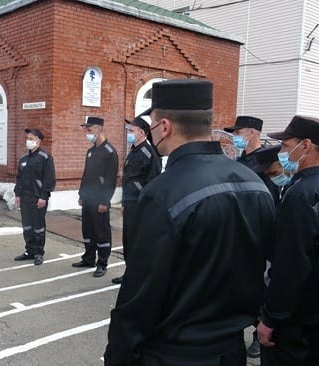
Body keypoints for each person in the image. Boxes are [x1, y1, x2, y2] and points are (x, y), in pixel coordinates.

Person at [104, 79, 276, 365]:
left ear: (165, 127)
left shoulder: (163, 193)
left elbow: (139, 297)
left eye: (153, 123)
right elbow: (268, 265)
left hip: (175, 353)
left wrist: (118, 356)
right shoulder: (255, 183)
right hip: (231, 349)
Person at [257, 115, 319, 366]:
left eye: (285, 145)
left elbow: (290, 265)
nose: (281, 152)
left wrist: (271, 318)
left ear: (304, 146)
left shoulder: (302, 194)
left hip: (293, 323)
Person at [111, 116, 161, 285]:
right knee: (128, 239)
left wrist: (145, 205)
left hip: (140, 205)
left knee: (138, 241)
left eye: (131, 131)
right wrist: (124, 203)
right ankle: (130, 273)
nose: (128, 134)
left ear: (141, 132)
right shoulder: (134, 150)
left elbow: (153, 182)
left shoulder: (148, 153)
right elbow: (130, 180)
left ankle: (139, 276)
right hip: (130, 203)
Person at [73, 116, 119, 278]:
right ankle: (89, 258)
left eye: (90, 129)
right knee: (88, 230)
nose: (87, 133)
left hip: (100, 200)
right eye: (86, 129)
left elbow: (111, 180)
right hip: (87, 198)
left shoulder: (110, 152)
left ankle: (102, 263)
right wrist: (81, 194)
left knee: (102, 232)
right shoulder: (91, 151)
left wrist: (104, 201)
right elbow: (86, 175)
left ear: (99, 129)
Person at [13, 128, 56, 265]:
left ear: (38, 141)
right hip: (25, 198)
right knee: (27, 226)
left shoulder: (45, 158)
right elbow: (19, 178)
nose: (28, 141)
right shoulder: (23, 158)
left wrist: (44, 197)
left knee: (38, 227)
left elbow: (49, 179)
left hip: (38, 199)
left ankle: (38, 252)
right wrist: (17, 194)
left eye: (31, 139)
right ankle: (29, 250)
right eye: (27, 138)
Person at [225, 115, 281, 204]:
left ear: (251, 133)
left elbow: (272, 195)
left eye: (238, 132)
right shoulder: (239, 159)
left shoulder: (267, 160)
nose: (234, 136)